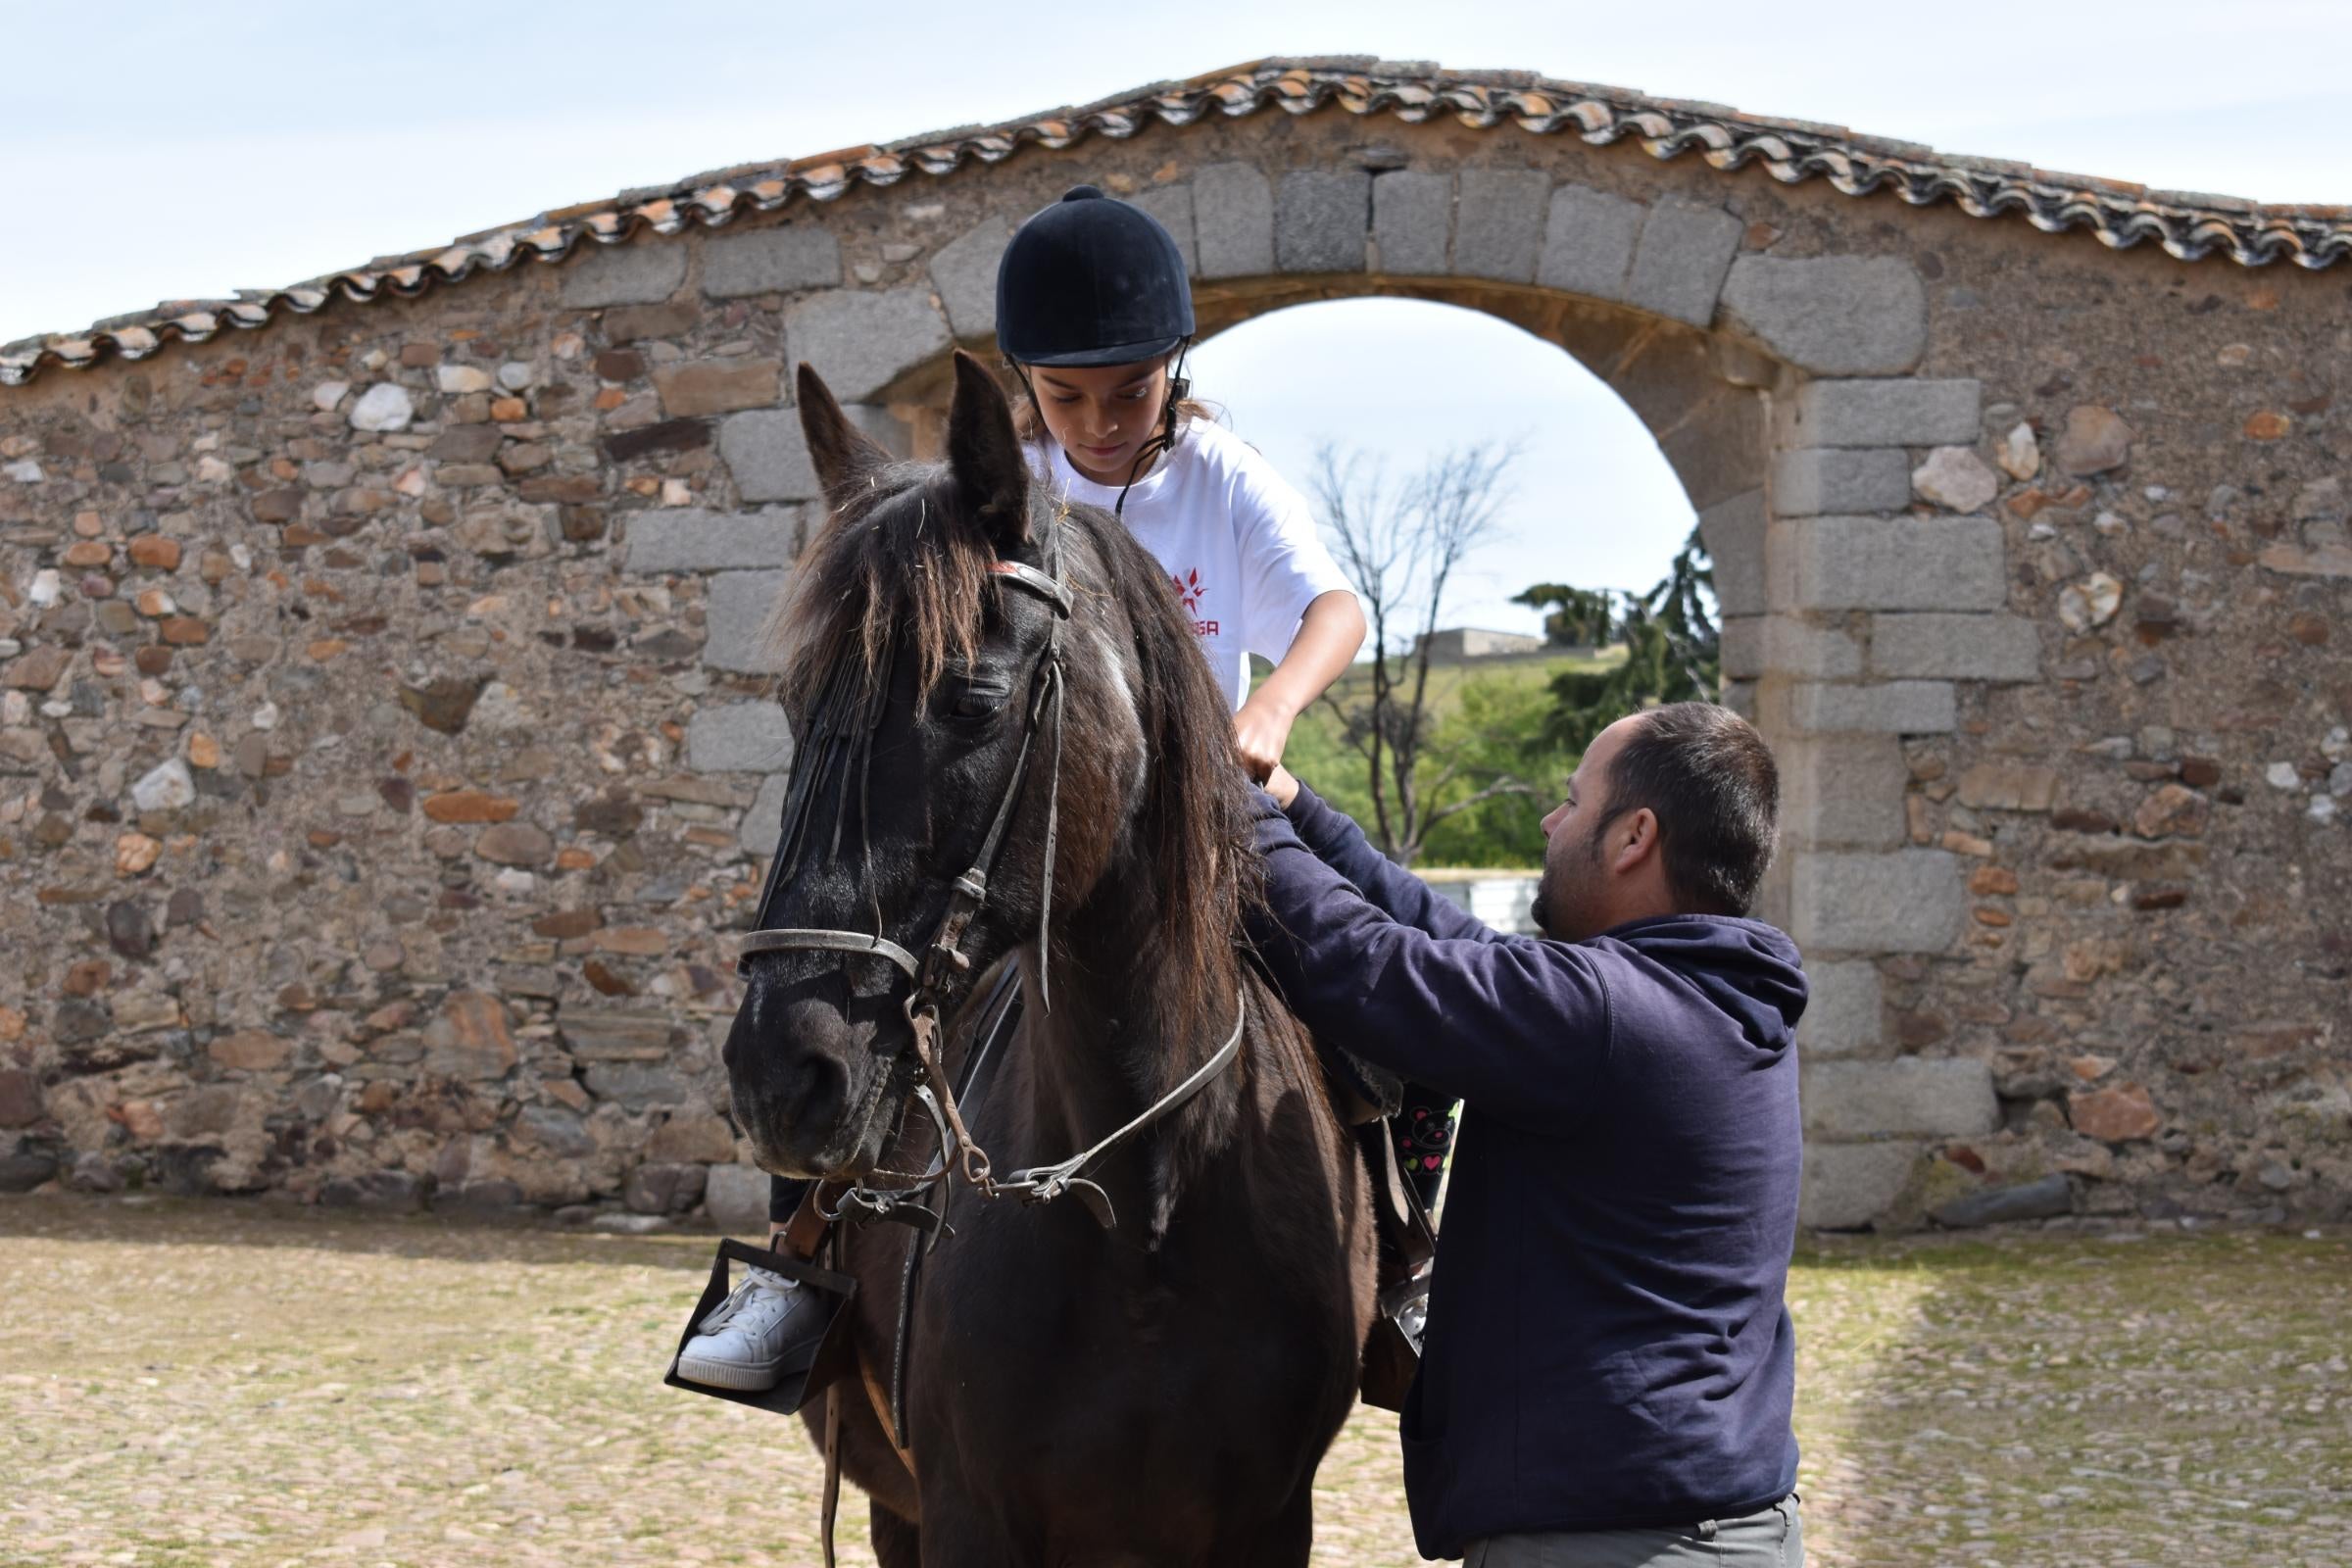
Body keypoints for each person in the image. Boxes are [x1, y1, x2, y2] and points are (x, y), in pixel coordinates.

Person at [675, 183, 1368, 1393]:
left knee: (1377, 991)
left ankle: (1404, 1260)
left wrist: (1270, 709)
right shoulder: (1001, 490)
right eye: (1067, 396)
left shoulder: (1219, 474)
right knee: (879, 990)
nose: (1100, 421)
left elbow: (1335, 607)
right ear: (1024, 387)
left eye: (1129, 391)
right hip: (1033, 828)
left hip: (1200, 826)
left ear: (1174, 371)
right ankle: (799, 1265)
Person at [1249, 702, 1806, 1566]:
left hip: (1613, 1545)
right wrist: (1294, 806)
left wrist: (1224, 802)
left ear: (1634, 837)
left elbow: (1364, 966)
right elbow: (1455, 946)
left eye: (1572, 801)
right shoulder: (1707, 997)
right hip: (1705, 1528)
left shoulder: (1611, 1017)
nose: (1550, 821)